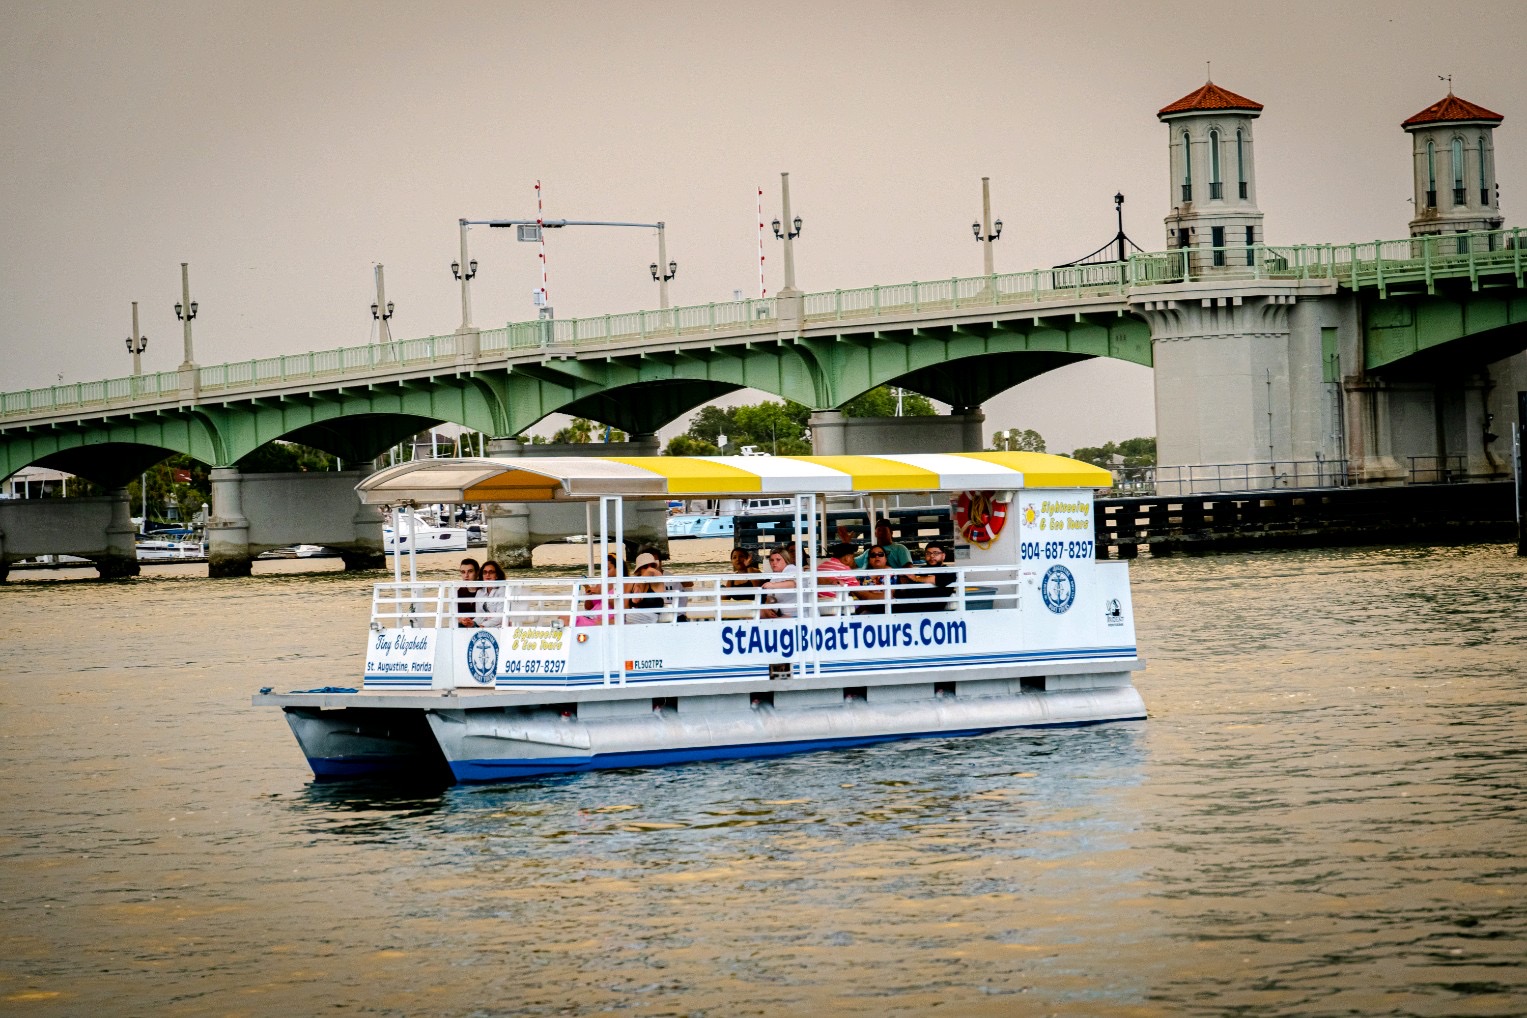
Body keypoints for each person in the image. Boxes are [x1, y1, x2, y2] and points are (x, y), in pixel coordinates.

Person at [894, 541, 956, 613]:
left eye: (936, 553)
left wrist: (916, 578)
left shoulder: (949, 571)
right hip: (909, 608)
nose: (932, 556)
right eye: (928, 553)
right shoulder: (920, 570)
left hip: (934, 610)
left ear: (943, 556)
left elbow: (937, 579)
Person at [576, 553, 624, 626]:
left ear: (618, 569)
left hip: (602, 621)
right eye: (603, 569)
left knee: (568, 620)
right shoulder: (601, 584)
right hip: (591, 617)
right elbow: (588, 607)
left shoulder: (623, 585)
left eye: (608, 569)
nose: (604, 572)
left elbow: (621, 607)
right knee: (563, 618)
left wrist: (603, 594)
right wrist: (589, 594)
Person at [815, 541, 860, 612]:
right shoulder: (845, 569)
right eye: (852, 557)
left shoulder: (821, 566)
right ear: (847, 558)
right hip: (834, 605)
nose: (853, 560)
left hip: (817, 604)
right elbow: (857, 590)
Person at [853, 545, 894, 614]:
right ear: (869, 560)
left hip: (888, 609)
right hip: (868, 609)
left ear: (886, 558)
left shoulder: (892, 574)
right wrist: (878, 573)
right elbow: (860, 591)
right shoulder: (864, 575)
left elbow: (890, 594)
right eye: (873, 555)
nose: (877, 557)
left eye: (880, 554)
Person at [624, 559, 667, 624]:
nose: (649, 568)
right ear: (639, 570)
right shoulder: (632, 583)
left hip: (648, 622)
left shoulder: (656, 583)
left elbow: (653, 572)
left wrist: (641, 583)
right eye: (645, 566)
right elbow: (625, 605)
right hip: (630, 621)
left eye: (652, 566)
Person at [759, 547, 798, 619]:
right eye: (772, 560)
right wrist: (768, 609)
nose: (774, 563)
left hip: (798, 613)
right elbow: (771, 598)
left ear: (786, 560)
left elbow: (793, 584)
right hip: (784, 613)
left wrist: (773, 585)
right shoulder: (774, 577)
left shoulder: (790, 568)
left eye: (778, 560)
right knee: (756, 614)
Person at [476, 560, 507, 626]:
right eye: (485, 572)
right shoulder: (480, 592)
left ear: (497, 576)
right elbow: (479, 616)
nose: (487, 575)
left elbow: (500, 616)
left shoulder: (502, 590)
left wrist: (484, 625)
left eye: (491, 572)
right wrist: (472, 623)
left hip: (499, 627)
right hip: (483, 627)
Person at [455, 558, 481, 627]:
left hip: (481, 626)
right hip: (464, 627)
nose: (466, 575)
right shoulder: (459, 592)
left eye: (470, 571)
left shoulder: (484, 590)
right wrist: (462, 620)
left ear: (477, 572)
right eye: (463, 572)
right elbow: (454, 614)